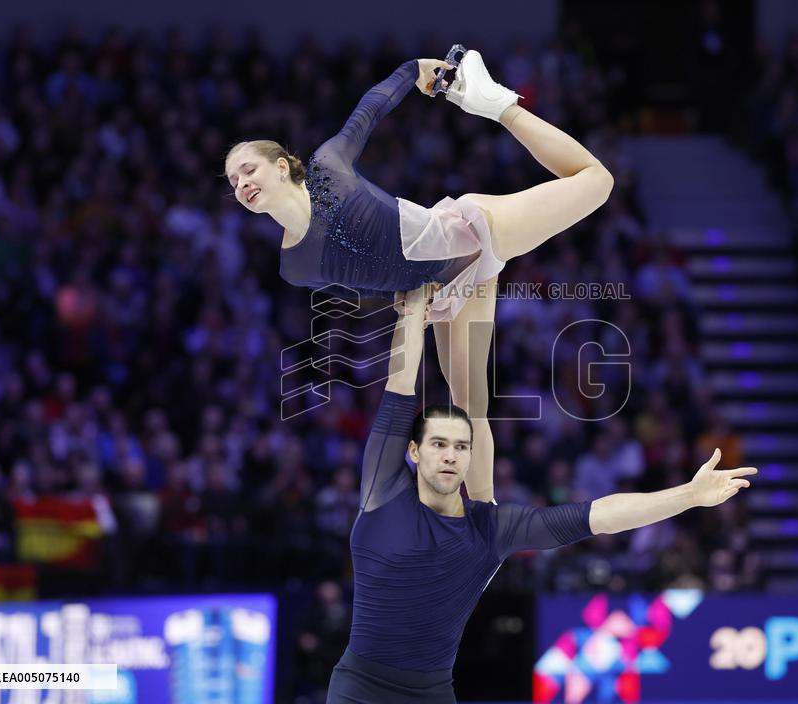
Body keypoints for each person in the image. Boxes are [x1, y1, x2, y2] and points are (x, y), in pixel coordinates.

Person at [325, 285, 758, 703]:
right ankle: (473, 280)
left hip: (430, 691)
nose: (451, 456)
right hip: (359, 686)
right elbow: (399, 388)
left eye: (461, 447)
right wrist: (412, 312)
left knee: (474, 405)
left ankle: (481, 275)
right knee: (471, 401)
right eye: (439, 444)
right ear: (414, 451)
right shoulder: (383, 489)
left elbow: (598, 516)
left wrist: (687, 495)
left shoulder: (491, 526)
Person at [224, 50, 615, 504]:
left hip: (466, 232)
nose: (241, 184)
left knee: (597, 181)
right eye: (232, 181)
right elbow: (364, 279)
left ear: (280, 166)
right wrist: (404, 298)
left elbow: (370, 108)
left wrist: (412, 70)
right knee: (470, 406)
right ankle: (484, 526)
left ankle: (496, 105)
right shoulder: (293, 267)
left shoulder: (328, 165)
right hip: (444, 291)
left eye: (247, 170)